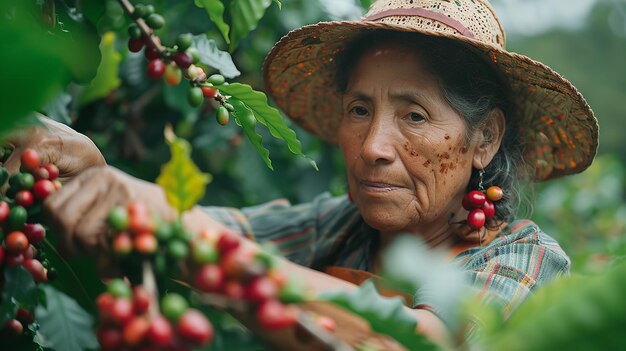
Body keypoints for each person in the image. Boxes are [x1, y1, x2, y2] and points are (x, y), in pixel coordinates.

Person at [11, 0, 599, 345]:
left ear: (485, 138)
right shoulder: (338, 228)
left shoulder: (526, 262)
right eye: (359, 110)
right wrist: (89, 173)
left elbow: (422, 341)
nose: (372, 147)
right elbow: (203, 228)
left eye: (414, 115)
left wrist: (185, 232)